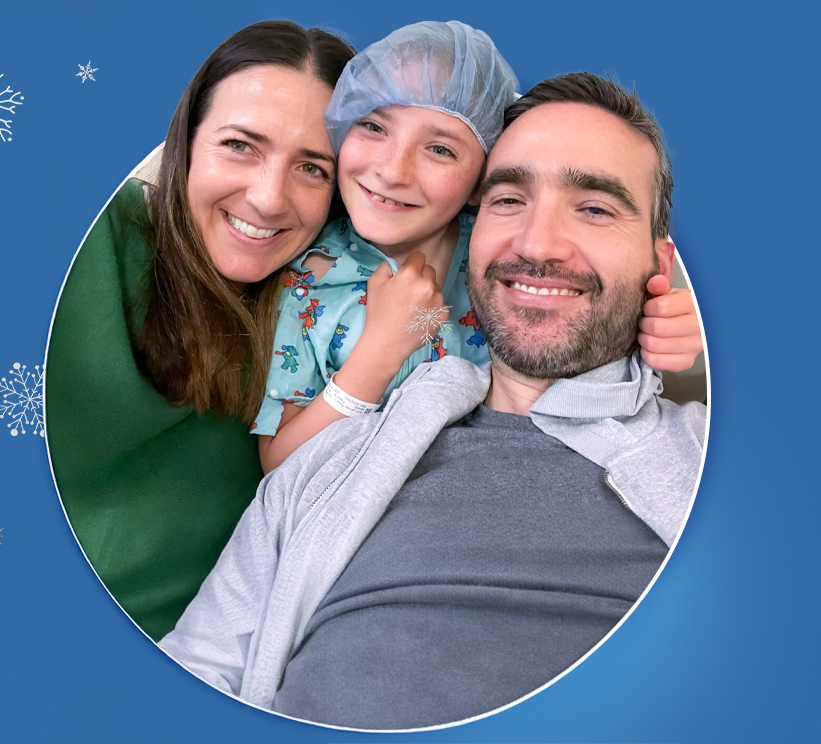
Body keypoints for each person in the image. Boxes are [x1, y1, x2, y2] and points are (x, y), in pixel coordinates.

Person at [159, 72, 708, 730]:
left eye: (594, 208)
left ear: (660, 259)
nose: (536, 244)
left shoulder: (714, 456)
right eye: (508, 200)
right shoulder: (324, 469)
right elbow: (189, 677)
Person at [252, 22, 701, 472]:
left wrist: (667, 323)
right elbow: (277, 464)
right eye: (372, 125)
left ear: (480, 183)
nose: (393, 171)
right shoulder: (305, 282)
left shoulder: (508, 256)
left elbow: (601, 308)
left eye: (441, 150)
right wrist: (375, 357)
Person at [45, 21, 356, 641]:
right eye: (240, 145)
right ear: (186, 143)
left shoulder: (326, 312)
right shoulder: (89, 245)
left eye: (313, 168)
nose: (269, 198)